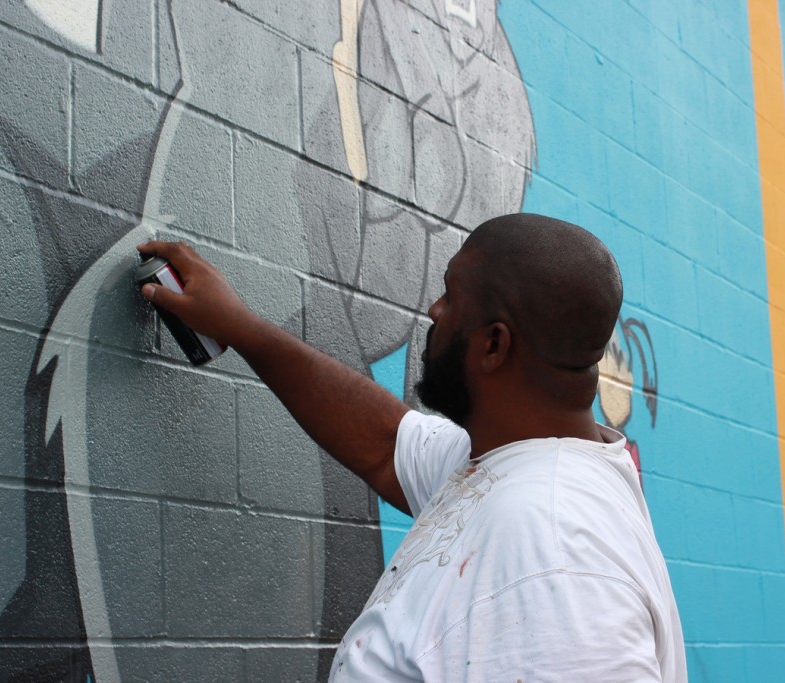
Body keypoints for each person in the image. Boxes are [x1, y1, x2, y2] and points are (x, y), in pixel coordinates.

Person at [138, 213, 687, 682]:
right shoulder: (515, 460)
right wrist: (243, 328)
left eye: (451, 296)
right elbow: (385, 443)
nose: (433, 309)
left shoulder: (552, 545)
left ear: (494, 344)